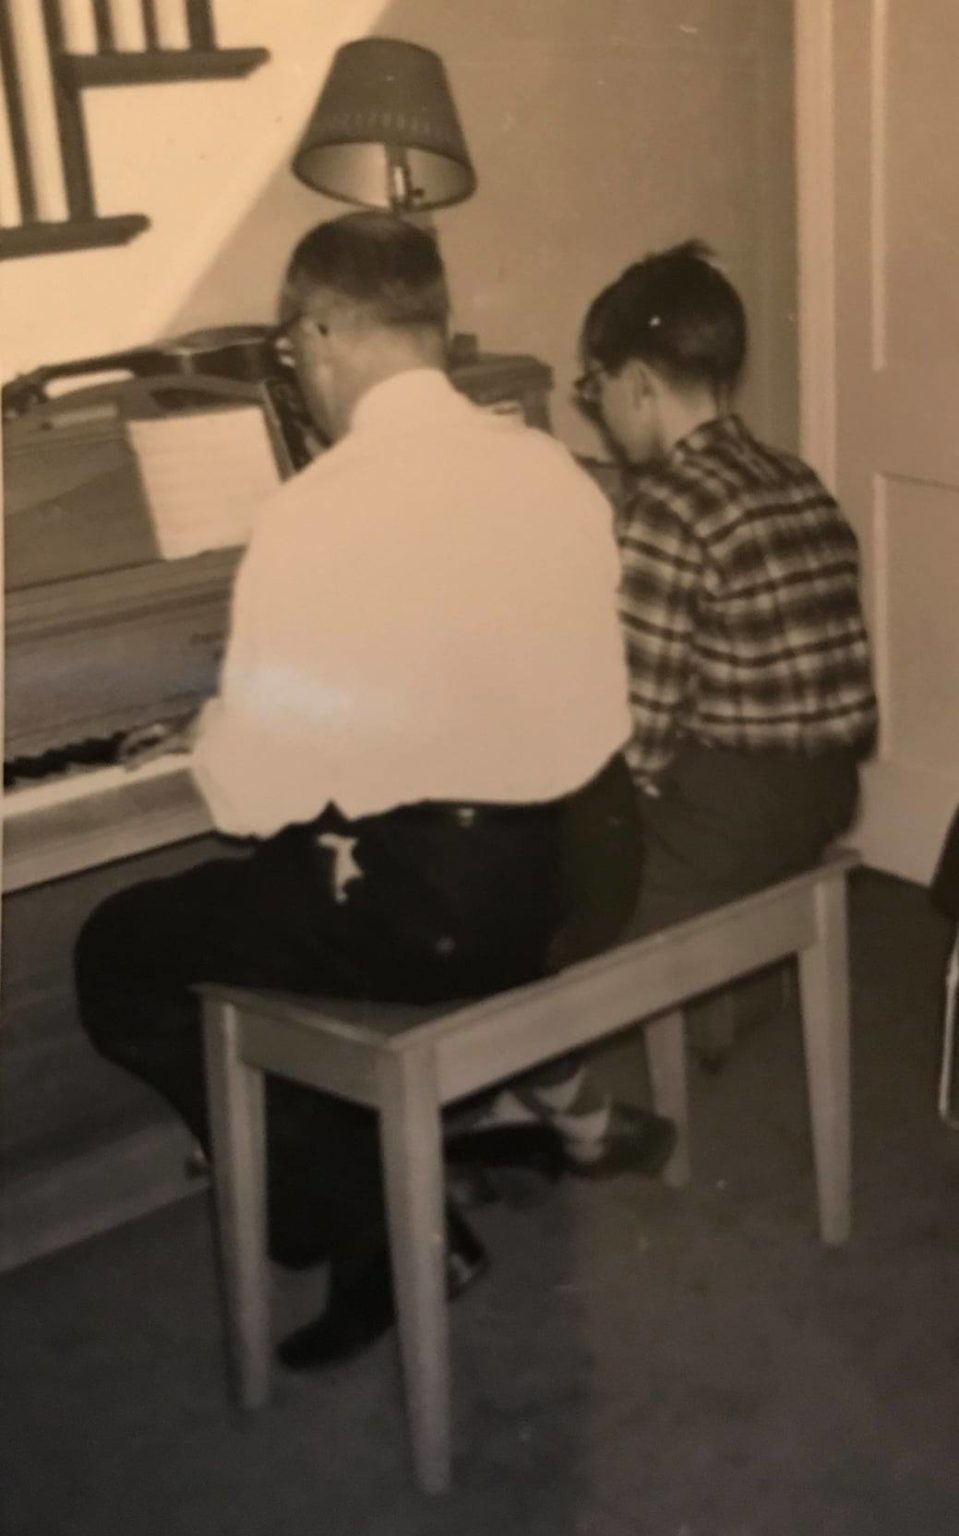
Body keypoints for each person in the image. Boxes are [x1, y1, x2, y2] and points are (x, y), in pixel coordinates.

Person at [74, 211, 670, 1371]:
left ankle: (363, 1223)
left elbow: (245, 802)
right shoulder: (550, 468)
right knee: (304, 876)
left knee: (119, 948)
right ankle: (386, 1152)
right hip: (589, 871)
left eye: (292, 352)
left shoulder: (313, 513)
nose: (297, 375)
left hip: (450, 914)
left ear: (321, 333)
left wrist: (219, 726)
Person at [570, 238, 878, 1059]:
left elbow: (637, 740)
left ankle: (536, 1090)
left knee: (523, 884)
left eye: (595, 388)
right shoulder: (795, 479)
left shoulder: (666, 509)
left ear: (638, 383)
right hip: (825, 793)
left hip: (725, 826)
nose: (597, 411)